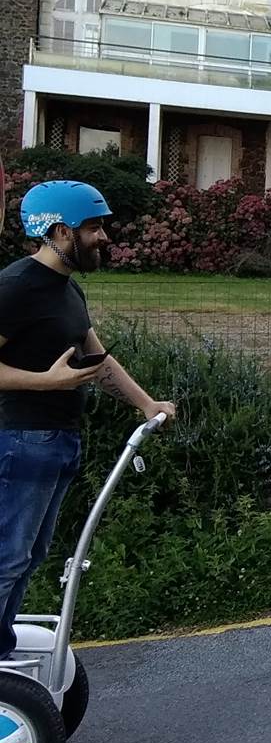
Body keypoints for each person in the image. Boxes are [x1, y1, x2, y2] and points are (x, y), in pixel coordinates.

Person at [0, 180, 177, 660]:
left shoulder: (65, 287)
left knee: (28, 558)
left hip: (57, 442)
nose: (105, 237)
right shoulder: (14, 288)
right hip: (19, 441)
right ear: (59, 232)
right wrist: (47, 383)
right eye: (94, 227)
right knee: (7, 559)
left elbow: (97, 359)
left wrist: (146, 404)